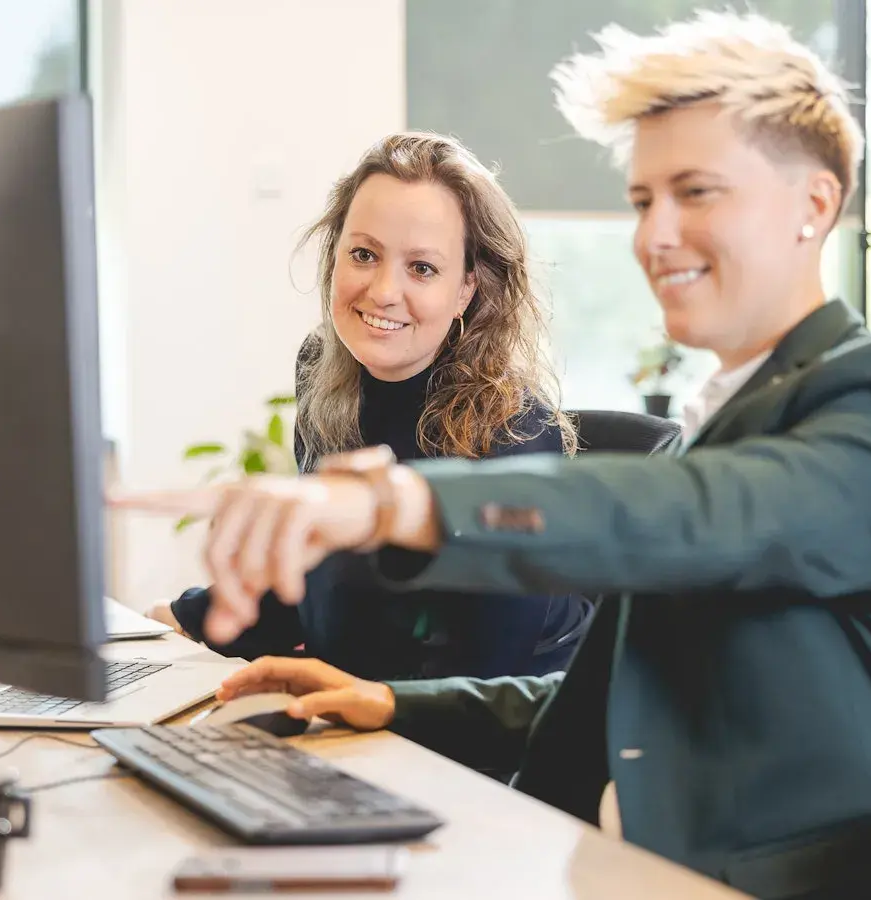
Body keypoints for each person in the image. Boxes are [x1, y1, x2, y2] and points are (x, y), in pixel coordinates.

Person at [115, 12, 871, 899]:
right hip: (594, 855)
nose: (654, 236)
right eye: (643, 200)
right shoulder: (718, 424)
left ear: (815, 206)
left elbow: (702, 514)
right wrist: (387, 701)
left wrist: (396, 504)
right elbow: (600, 705)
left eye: (697, 193)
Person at [153, 132, 590, 684]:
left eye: (422, 268)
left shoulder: (517, 432)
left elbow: (481, 679)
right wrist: (189, 618)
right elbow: (319, 577)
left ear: (466, 289)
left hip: (477, 723)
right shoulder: (320, 367)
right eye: (364, 254)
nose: (383, 291)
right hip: (355, 695)